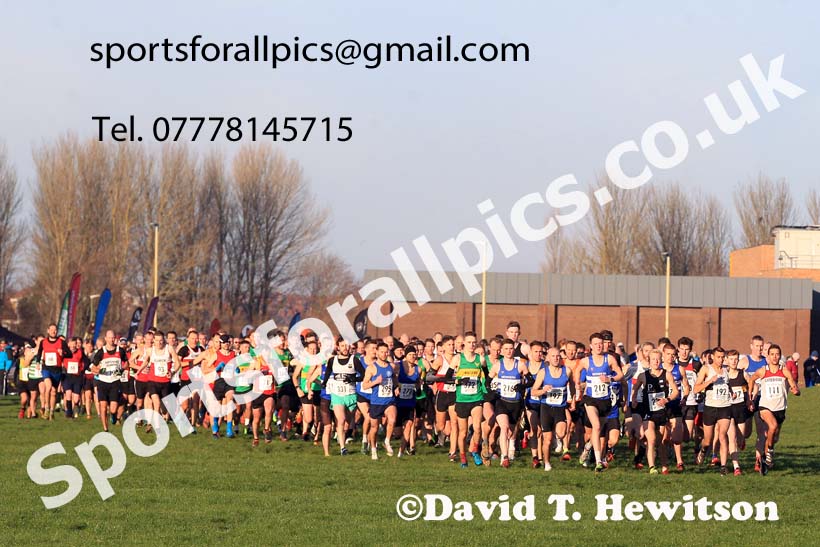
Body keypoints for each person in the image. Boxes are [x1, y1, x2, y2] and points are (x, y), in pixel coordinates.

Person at [748, 344, 800, 475]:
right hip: (765, 407)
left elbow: (793, 385)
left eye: (777, 354)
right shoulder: (763, 370)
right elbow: (752, 379)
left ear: (780, 355)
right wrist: (750, 394)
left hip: (780, 408)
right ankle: (769, 451)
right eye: (772, 354)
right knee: (772, 426)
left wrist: (795, 390)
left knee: (774, 437)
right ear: (768, 356)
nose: (775, 357)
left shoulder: (784, 371)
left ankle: (765, 458)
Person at [575, 332, 624, 472]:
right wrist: (578, 384)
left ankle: (588, 447)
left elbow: (620, 374)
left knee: (599, 429)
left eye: (600, 343)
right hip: (590, 399)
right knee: (596, 426)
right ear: (590, 346)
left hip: (605, 400)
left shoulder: (609, 359)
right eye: (595, 344)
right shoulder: (586, 361)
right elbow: (577, 371)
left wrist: (611, 379)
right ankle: (598, 461)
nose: (598, 346)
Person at [631, 349, 679, 475]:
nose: (656, 362)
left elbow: (675, 391)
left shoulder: (667, 374)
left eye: (658, 359)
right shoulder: (643, 376)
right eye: (653, 359)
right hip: (649, 413)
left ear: (661, 360)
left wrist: (666, 399)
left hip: (662, 413)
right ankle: (652, 467)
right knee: (651, 439)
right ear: (649, 361)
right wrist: (634, 399)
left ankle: (664, 466)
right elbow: (634, 389)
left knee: (661, 442)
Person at [531, 347, 574, 471]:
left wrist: (573, 399)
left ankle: (559, 442)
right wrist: (543, 390)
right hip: (546, 408)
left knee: (561, 433)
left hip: (560, 408)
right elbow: (533, 391)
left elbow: (571, 384)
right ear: (548, 358)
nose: (556, 358)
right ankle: (547, 463)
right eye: (553, 356)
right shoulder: (543, 372)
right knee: (547, 439)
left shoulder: (567, 371)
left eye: (558, 356)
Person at [693, 347, 732, 476]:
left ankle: (723, 466)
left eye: (722, 357)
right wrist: (710, 381)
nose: (721, 360)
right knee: (708, 440)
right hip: (710, 407)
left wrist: (732, 393)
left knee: (722, 435)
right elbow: (696, 389)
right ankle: (703, 450)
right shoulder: (706, 369)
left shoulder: (727, 370)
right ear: (713, 357)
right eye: (718, 357)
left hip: (725, 406)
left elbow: (728, 386)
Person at [322, 336, 362, 455]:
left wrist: (353, 378)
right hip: (337, 395)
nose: (345, 348)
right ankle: (342, 448)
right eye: (343, 346)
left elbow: (363, 375)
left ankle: (345, 436)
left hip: (350, 395)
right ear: (338, 347)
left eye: (347, 346)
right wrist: (324, 384)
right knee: (341, 419)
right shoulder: (332, 361)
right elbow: (327, 374)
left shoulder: (354, 360)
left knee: (347, 424)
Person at [453, 332, 485, 468]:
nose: (472, 345)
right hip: (462, 399)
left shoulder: (480, 359)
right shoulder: (458, 359)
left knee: (477, 428)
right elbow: (449, 378)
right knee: (463, 432)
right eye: (469, 342)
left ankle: (475, 450)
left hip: (476, 398)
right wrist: (460, 380)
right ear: (464, 344)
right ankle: (463, 457)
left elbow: (487, 376)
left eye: (474, 342)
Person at [361, 341, 397, 460]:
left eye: (386, 352)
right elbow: (364, 386)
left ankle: (387, 441)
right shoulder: (371, 368)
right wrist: (376, 382)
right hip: (376, 402)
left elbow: (394, 379)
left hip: (389, 400)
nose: (384, 354)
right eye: (381, 352)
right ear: (376, 352)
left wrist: (397, 388)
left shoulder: (391, 366)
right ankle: (373, 450)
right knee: (374, 428)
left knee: (392, 419)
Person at [90, 330, 127, 432]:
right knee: (103, 405)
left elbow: (126, 363)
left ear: (115, 338)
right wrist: (101, 370)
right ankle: (105, 428)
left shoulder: (120, 351)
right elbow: (93, 368)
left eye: (113, 337)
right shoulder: (101, 352)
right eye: (109, 337)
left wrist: (121, 370)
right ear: (105, 338)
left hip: (115, 381)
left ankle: (114, 416)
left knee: (113, 408)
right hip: (102, 382)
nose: (111, 339)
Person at [38, 324, 71, 421]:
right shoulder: (43, 342)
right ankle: (47, 408)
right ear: (48, 331)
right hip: (46, 368)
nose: (53, 331)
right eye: (51, 330)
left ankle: (52, 412)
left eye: (55, 330)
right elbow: (40, 352)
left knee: (53, 392)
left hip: (57, 370)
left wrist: (63, 353)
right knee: (48, 387)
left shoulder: (62, 342)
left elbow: (69, 354)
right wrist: (37, 362)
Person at [396, 345, 421, 458]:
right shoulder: (398, 366)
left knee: (409, 424)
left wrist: (418, 388)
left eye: (414, 355)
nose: (412, 357)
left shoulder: (418, 369)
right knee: (397, 432)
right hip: (398, 402)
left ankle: (401, 452)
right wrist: (396, 387)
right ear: (405, 356)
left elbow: (418, 383)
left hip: (410, 401)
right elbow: (392, 379)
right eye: (410, 355)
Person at [61, 337, 87, 418]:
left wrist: (82, 369)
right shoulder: (65, 352)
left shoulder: (80, 352)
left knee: (76, 399)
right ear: (68, 344)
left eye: (74, 345)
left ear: (77, 345)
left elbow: (86, 362)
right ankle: (69, 412)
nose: (72, 347)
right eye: (71, 345)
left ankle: (74, 408)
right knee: (68, 393)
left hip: (77, 377)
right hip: (67, 376)